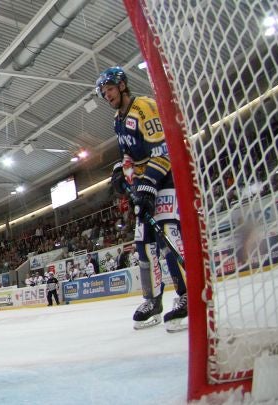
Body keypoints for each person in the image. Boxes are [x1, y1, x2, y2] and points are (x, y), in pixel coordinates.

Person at [97, 66, 188, 332]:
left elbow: (163, 150)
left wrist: (146, 184)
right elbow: (128, 156)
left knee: (169, 235)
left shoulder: (144, 107)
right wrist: (121, 173)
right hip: (144, 185)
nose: (107, 95)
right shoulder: (117, 119)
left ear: (122, 85)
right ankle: (153, 300)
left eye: (110, 89)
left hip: (165, 179)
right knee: (143, 244)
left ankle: (186, 294)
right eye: (103, 92)